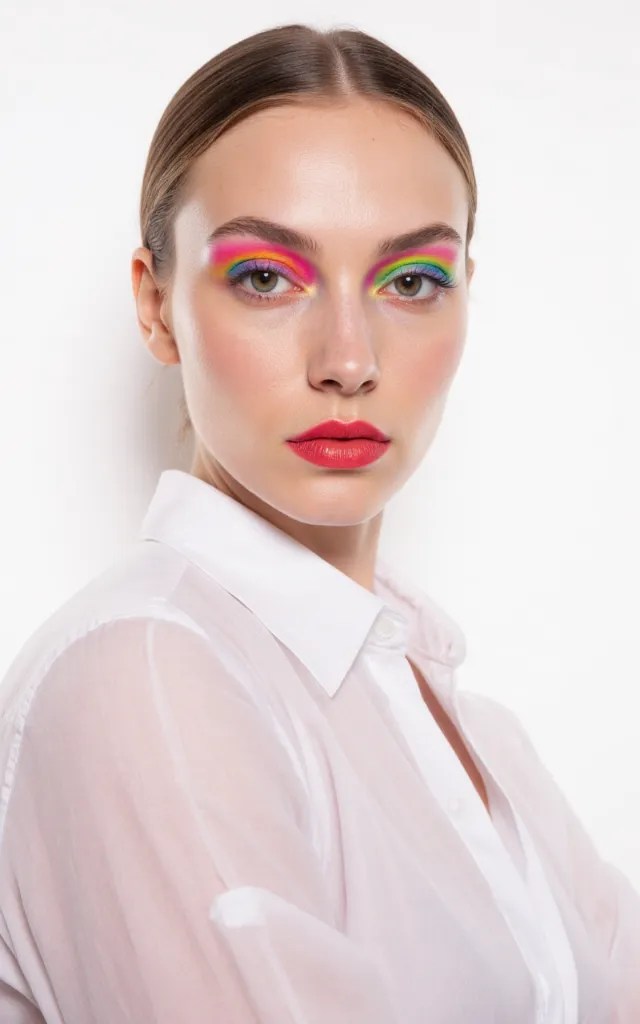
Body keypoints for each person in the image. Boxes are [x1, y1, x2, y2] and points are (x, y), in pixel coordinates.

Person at [0, 21, 638, 1024]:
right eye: (266, 276)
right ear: (156, 304)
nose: (348, 357)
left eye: (410, 281)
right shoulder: (147, 678)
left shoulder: (453, 714)